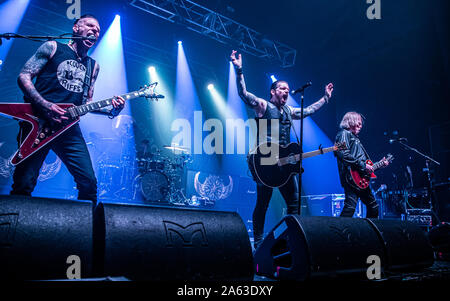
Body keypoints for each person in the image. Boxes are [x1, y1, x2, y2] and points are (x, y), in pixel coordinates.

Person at [10, 14, 125, 204]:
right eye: (90, 26)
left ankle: (87, 231)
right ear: (76, 27)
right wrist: (45, 105)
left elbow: (85, 105)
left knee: (88, 183)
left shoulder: (93, 66)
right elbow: (24, 76)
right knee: (24, 182)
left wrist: (112, 111)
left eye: (97, 30)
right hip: (37, 123)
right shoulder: (53, 47)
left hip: (68, 128)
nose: (95, 31)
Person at [230, 50, 334, 249]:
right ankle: (258, 242)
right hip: (265, 160)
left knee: (293, 202)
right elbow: (243, 94)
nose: (286, 91)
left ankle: (290, 239)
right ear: (273, 91)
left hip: (284, 163)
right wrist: (239, 70)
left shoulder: (289, 111)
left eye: (288, 89)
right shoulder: (263, 105)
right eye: (282, 89)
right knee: (263, 202)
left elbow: (309, 111)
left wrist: (326, 98)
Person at [335, 112, 389, 218]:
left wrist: (379, 165)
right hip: (351, 178)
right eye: (358, 123)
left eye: (361, 124)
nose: (360, 126)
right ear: (350, 121)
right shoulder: (343, 134)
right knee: (350, 207)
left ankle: (369, 232)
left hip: (360, 179)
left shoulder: (355, 139)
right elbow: (341, 153)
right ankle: (337, 232)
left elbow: (365, 165)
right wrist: (363, 165)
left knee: (373, 206)